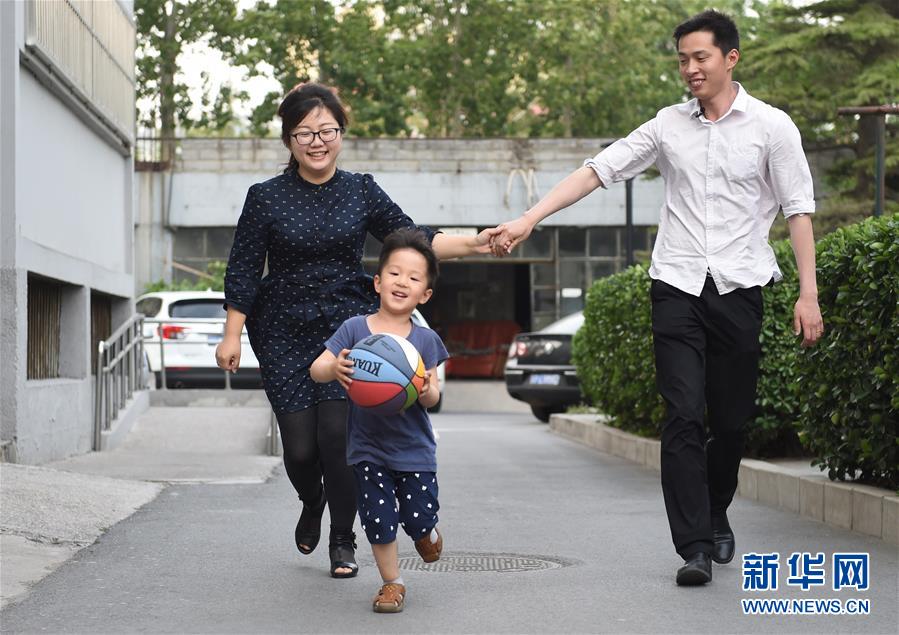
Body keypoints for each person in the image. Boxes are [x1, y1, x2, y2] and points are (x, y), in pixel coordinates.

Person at [492, 10, 824, 586]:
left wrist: (808, 293)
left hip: (740, 287)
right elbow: (598, 170)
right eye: (682, 60)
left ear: (730, 58)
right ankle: (693, 545)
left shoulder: (773, 127)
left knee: (732, 420)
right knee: (683, 414)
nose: (690, 68)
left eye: (700, 57)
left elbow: (798, 209)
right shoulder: (669, 125)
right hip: (676, 285)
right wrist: (529, 218)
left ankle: (715, 507)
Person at [215, 83, 498, 579]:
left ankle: (342, 539)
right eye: (305, 133)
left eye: (327, 130)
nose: (317, 142)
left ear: (341, 133)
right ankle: (313, 501)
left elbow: (412, 238)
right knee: (300, 449)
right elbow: (243, 268)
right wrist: (232, 334)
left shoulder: (360, 189)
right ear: (289, 140)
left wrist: (476, 243)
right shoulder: (265, 198)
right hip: (282, 329)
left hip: (348, 325)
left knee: (337, 438)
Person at [311, 228, 447, 613]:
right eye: (394, 273)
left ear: (425, 295)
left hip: (414, 449)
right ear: (377, 281)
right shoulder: (355, 329)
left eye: (413, 277)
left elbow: (434, 395)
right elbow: (317, 369)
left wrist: (425, 389)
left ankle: (426, 532)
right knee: (378, 519)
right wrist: (334, 367)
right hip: (367, 448)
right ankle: (392, 583)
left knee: (418, 518)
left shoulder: (425, 340)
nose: (402, 282)